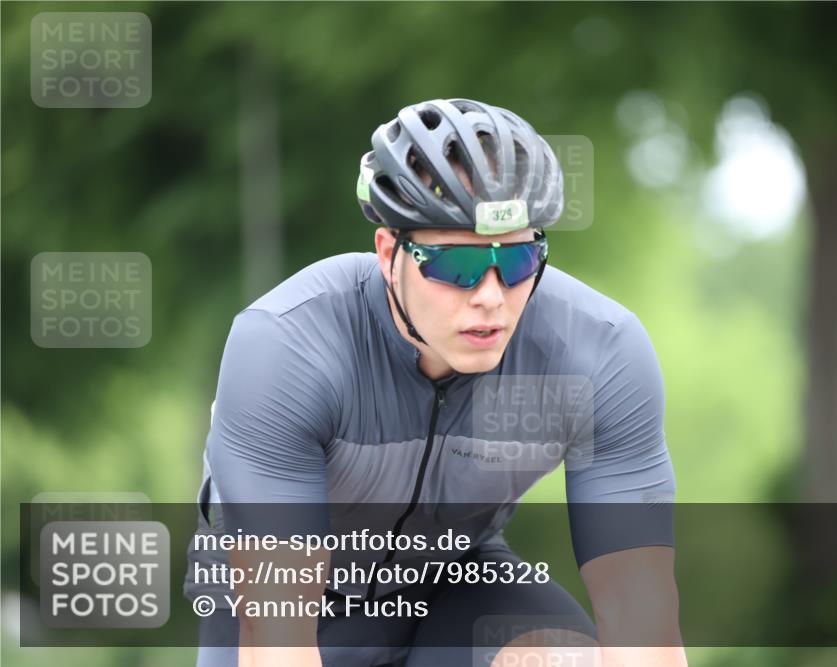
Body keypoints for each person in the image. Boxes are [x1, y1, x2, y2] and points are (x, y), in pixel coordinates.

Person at [184, 98, 686, 667]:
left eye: (519, 260)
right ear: (388, 252)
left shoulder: (600, 352)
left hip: (456, 585)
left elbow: (642, 624)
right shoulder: (286, 348)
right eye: (456, 265)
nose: (491, 296)